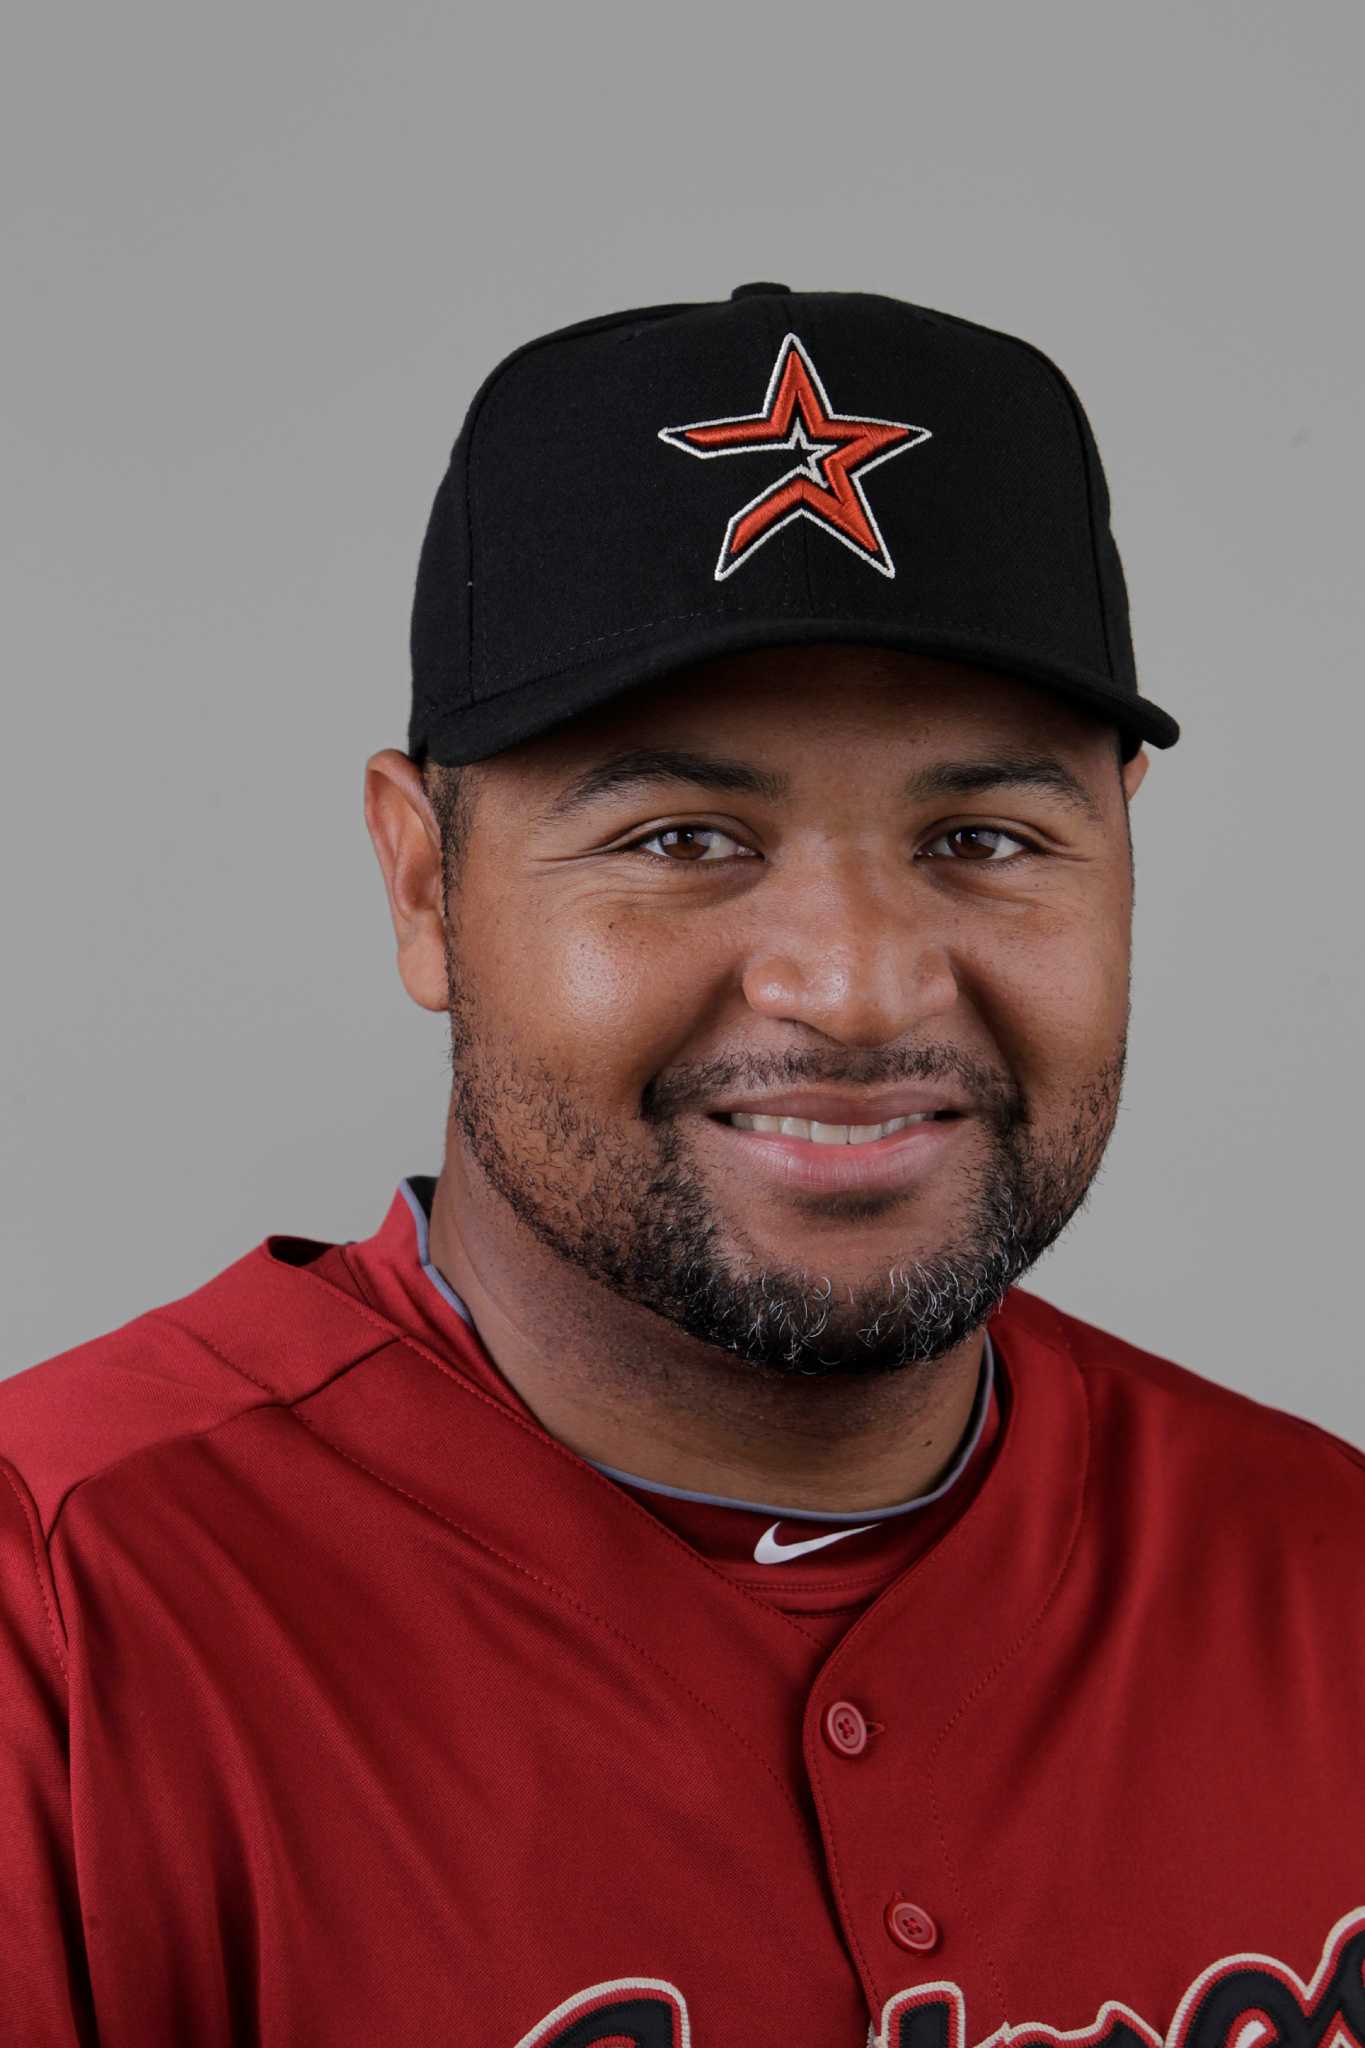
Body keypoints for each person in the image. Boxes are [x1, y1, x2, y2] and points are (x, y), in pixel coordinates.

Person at [2, 285, 1361, 2048]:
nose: (857, 984)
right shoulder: (58, 1614)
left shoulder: (1326, 1568)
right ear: (425, 885)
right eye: (681, 838)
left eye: (983, 837)